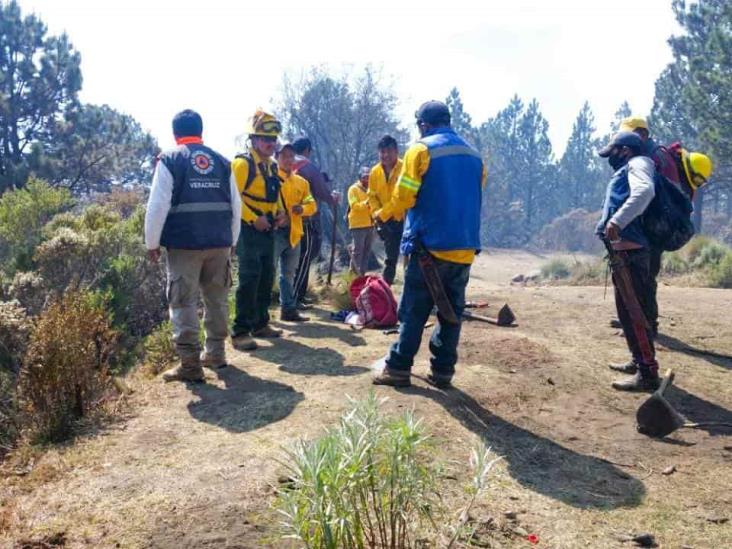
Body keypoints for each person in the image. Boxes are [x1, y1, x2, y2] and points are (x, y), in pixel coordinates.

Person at [372, 100, 486, 389]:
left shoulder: (421, 150)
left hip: (429, 247)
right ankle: (443, 371)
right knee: (451, 311)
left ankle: (398, 367)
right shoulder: (474, 155)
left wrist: (382, 214)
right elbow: (474, 189)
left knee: (413, 309)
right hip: (464, 247)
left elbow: (404, 198)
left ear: (423, 125)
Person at [609, 118, 713, 375]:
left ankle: (645, 335)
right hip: (651, 233)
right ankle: (640, 331)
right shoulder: (658, 157)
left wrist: (620, 221)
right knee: (641, 285)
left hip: (648, 234)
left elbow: (648, 194)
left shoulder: (652, 158)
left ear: (641, 134)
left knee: (642, 285)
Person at [144, 109, 241, 382]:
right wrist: (232, 240)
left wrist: (152, 242)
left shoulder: (170, 159)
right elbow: (236, 206)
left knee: (183, 301)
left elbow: (157, 205)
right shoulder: (223, 162)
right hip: (220, 243)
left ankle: (190, 365)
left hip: (184, 245)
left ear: (175, 134)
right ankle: (216, 353)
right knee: (217, 298)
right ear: (201, 131)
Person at [596, 131, 661, 392]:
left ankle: (648, 373)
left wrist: (616, 221)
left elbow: (645, 190)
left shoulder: (638, 163)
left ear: (625, 150)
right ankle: (638, 361)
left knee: (635, 313)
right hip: (624, 254)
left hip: (631, 255)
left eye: (613, 151)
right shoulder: (632, 165)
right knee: (626, 312)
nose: (610, 157)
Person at [230, 110, 287, 351]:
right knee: (249, 277)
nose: (270, 143)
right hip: (248, 230)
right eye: (265, 139)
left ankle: (261, 323)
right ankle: (240, 331)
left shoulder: (272, 166)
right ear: (253, 139)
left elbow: (276, 195)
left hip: (268, 229)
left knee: (266, 276)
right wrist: (254, 219)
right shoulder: (242, 164)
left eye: (273, 139)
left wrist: (281, 212)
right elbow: (233, 199)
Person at [291, 137, 340, 309]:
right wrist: (332, 198)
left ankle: (297, 296)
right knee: (305, 257)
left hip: (289, 219)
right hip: (308, 219)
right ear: (307, 150)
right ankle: (295, 298)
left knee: (293, 259)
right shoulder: (307, 167)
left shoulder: (286, 164)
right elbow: (322, 191)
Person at [275, 142, 318, 322]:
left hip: (294, 232)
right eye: (284, 156)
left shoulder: (302, 182)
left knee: (289, 273)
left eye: (291, 156)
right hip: (274, 232)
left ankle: (288, 309)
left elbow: (312, 205)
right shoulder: (270, 178)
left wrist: (302, 209)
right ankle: (260, 314)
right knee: (267, 272)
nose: (287, 160)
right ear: (277, 158)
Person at [369, 135, 404, 285]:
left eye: (389, 151)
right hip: (386, 222)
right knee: (390, 259)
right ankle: (385, 291)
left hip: (406, 219)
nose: (386, 155)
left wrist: (383, 213)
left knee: (414, 258)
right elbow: (371, 196)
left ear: (396, 151)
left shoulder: (405, 168)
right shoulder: (375, 172)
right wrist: (376, 214)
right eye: (382, 152)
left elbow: (402, 197)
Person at [347, 166, 375, 276]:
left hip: (370, 224)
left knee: (367, 252)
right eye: (364, 177)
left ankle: (362, 275)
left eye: (368, 177)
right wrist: (366, 203)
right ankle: (352, 277)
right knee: (357, 252)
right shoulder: (353, 189)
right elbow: (354, 206)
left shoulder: (371, 190)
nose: (367, 180)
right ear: (360, 177)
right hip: (357, 225)